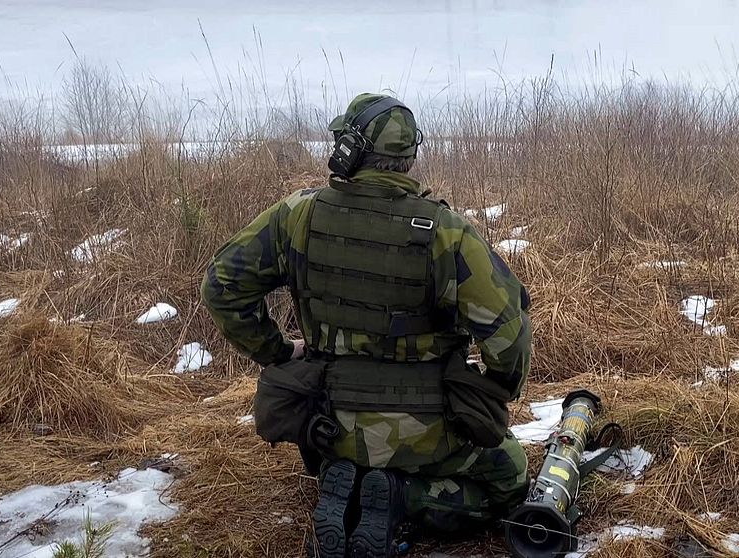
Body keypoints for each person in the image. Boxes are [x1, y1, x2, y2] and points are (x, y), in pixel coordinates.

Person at [200, 93, 532, 558]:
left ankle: (350, 485)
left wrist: (276, 351)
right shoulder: (445, 231)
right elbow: (508, 331)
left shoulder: (298, 215)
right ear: (408, 157)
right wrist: (494, 389)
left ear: (348, 150)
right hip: (431, 431)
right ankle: (403, 496)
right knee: (509, 481)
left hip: (328, 425)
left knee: (353, 456)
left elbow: (221, 286)